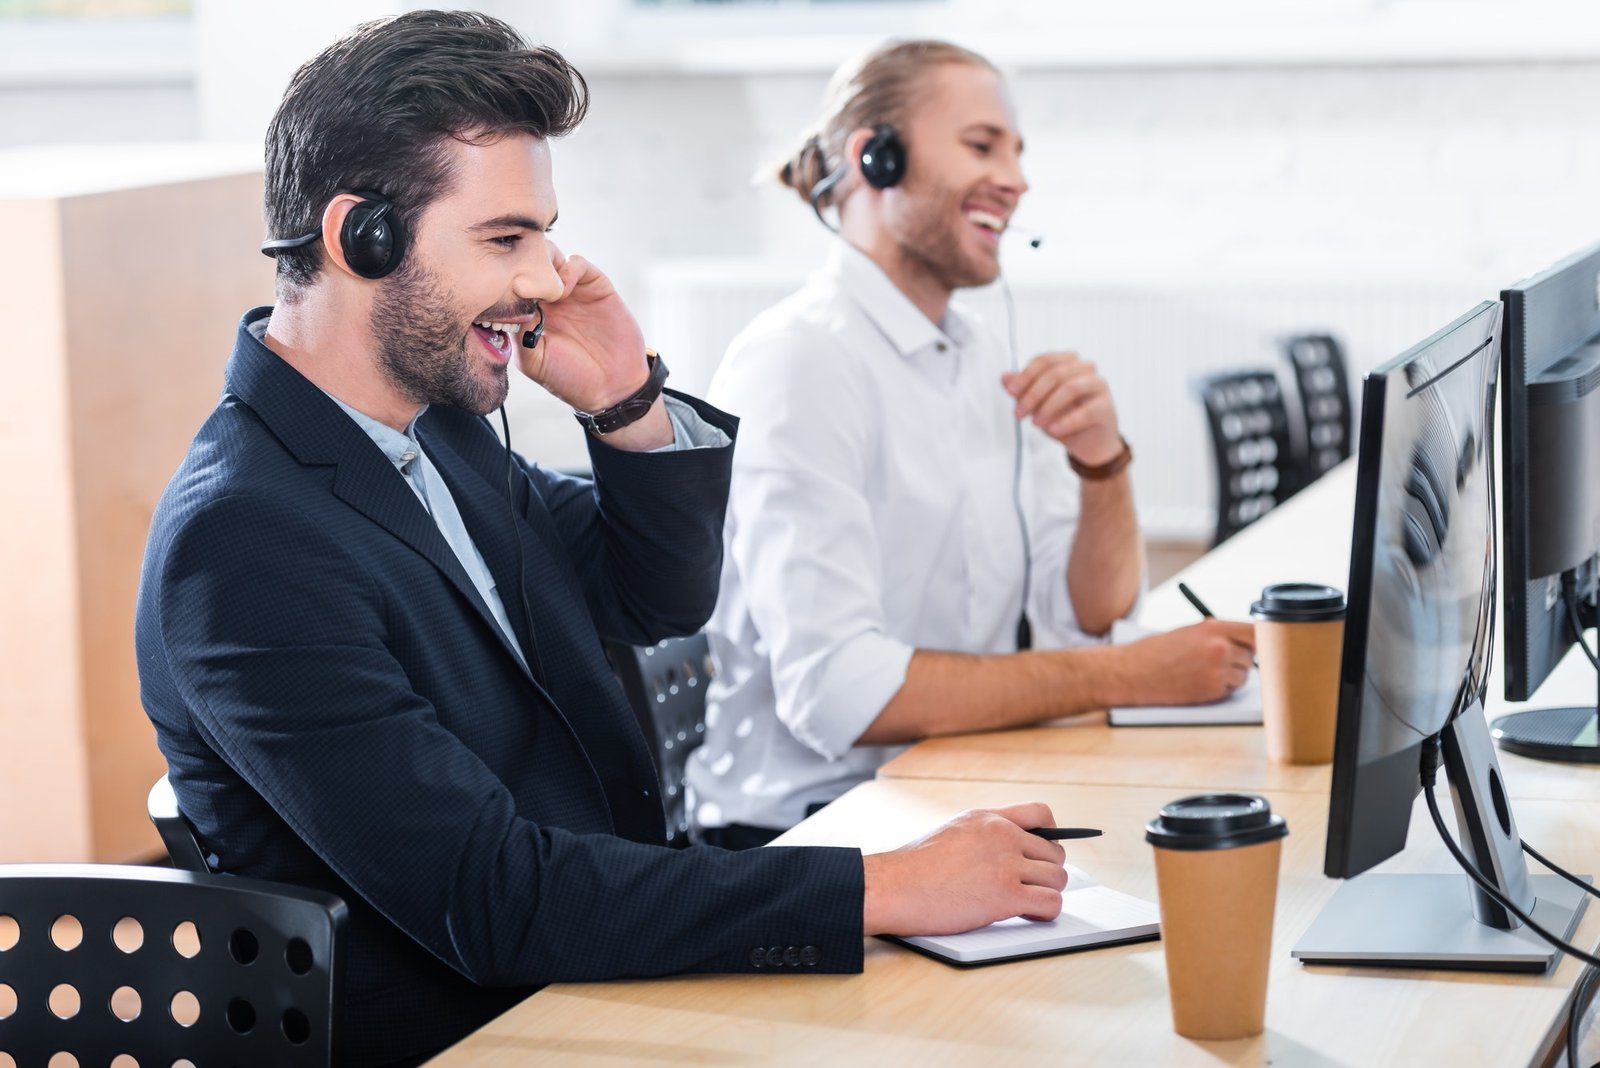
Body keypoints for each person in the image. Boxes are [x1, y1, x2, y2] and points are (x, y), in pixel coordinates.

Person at [134, 13, 1073, 1067]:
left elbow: (654, 598)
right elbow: (493, 897)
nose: (543, 279)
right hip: (487, 1034)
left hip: (602, 982)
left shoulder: (436, 437)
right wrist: (883, 886)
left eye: (541, 233)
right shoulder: (245, 543)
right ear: (363, 235)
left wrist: (627, 404)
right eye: (504, 239)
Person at [689, 40, 1257, 848]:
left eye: (1017, 153)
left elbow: (1085, 616)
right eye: (982, 145)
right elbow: (841, 695)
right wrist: (1132, 673)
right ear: (875, 157)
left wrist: (1103, 464)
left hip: (947, 787)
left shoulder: (979, 351)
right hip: (809, 836)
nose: (1017, 179)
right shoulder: (802, 360)